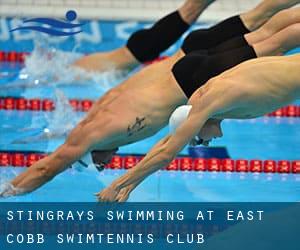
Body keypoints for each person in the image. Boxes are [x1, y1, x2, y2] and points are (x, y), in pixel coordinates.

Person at [1, 0, 300, 198]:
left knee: (276, 38)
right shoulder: (100, 108)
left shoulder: (95, 133)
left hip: (192, 78)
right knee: (270, 28)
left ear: (89, 150)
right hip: (187, 55)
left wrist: (8, 190)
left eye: (95, 162)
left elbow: (46, 167)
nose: (104, 165)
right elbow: (67, 139)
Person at [97, 53, 300, 202]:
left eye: (200, 140)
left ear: (197, 124)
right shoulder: (200, 101)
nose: (207, 143)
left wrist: (116, 184)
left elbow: (167, 154)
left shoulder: (212, 100)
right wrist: (131, 186)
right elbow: (169, 141)